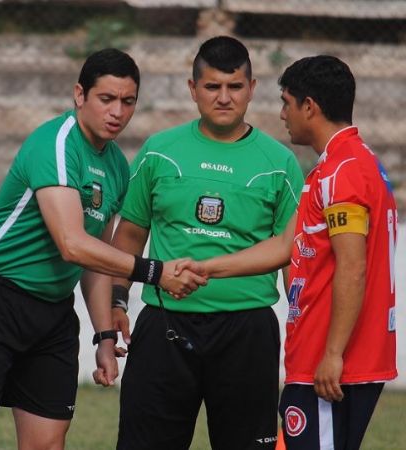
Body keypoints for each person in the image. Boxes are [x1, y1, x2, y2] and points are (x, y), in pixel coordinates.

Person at [0, 48, 207, 450]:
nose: (117, 111)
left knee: (47, 442)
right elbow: (71, 244)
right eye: (106, 99)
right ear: (79, 95)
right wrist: (155, 272)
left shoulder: (116, 165)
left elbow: (95, 257)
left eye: (128, 101)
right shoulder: (58, 142)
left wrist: (103, 338)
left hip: (52, 312)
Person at [180, 55, 397, 450]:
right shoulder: (342, 166)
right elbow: (285, 246)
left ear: (309, 106)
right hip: (322, 361)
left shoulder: (342, 173)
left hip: (330, 365)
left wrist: (332, 354)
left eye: (286, 102)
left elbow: (352, 267)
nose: (282, 114)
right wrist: (206, 268)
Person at [108, 36, 304, 449]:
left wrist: (303, 326)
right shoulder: (159, 151)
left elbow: (293, 255)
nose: (224, 97)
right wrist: (118, 300)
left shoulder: (280, 163)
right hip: (165, 323)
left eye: (235, 87)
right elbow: (130, 234)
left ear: (251, 89)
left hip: (247, 328)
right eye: (212, 86)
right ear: (193, 89)